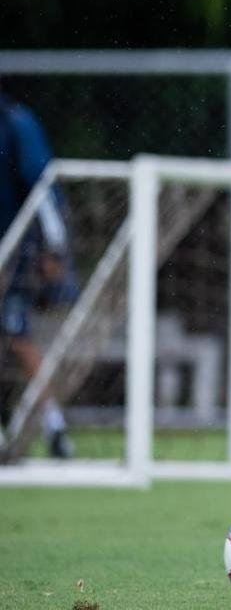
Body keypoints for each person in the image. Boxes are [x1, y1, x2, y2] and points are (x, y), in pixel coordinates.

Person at [0, 90, 75, 459]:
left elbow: (43, 186)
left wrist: (53, 247)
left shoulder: (16, 122)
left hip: (16, 249)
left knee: (16, 334)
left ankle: (54, 424)